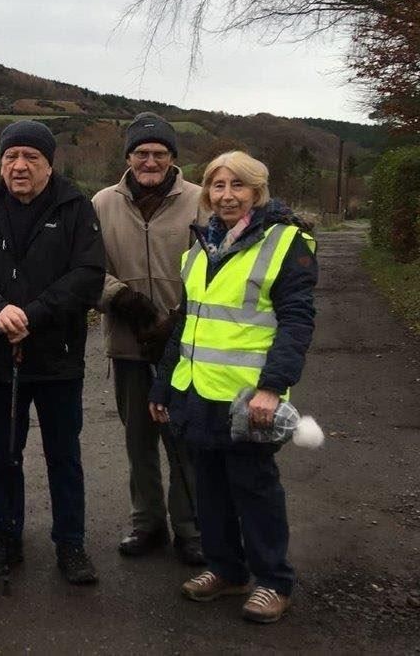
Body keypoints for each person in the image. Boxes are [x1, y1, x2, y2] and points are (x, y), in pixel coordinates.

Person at [149, 150, 317, 624]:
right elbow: (185, 325)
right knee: (211, 490)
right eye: (218, 186)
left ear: (257, 191)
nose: (226, 196)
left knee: (255, 490)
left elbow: (296, 322)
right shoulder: (199, 249)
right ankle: (226, 570)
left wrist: (273, 387)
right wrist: (163, 387)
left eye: (237, 186)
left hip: (248, 397)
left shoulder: (288, 244)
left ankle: (273, 582)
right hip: (198, 391)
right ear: (207, 193)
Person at [0, 120, 106, 585]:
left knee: (63, 456)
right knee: (4, 455)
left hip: (56, 357)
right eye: (10, 157)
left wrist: (32, 314)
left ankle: (71, 543)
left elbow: (88, 275)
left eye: (30, 158)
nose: (19, 166)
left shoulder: (75, 207)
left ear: (48, 163)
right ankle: (6, 536)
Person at [92, 112, 207, 565]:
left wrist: (177, 321)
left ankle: (190, 528)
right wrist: (121, 299)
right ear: (128, 158)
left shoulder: (201, 201)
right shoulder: (102, 203)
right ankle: (147, 523)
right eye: (142, 152)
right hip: (127, 344)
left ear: (173, 158)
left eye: (160, 153)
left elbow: (215, 266)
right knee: (138, 439)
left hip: (188, 343)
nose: (150, 160)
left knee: (184, 438)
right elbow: (86, 268)